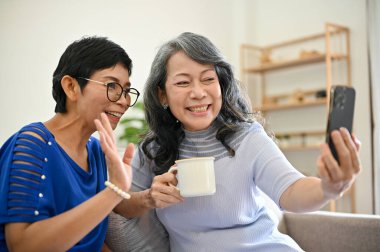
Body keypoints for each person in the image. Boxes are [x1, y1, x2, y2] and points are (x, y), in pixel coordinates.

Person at [108, 32, 361, 251]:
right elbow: (121, 206)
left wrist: (329, 188)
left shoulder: (247, 137)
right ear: (162, 94)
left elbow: (292, 192)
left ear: (222, 84)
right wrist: (149, 198)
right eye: (183, 82)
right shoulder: (154, 150)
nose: (198, 92)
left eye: (208, 79)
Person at [0, 36, 139, 251]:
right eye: (112, 85)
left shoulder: (95, 150)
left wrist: (151, 196)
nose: (123, 100)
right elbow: (22, 245)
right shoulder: (31, 144)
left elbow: (87, 237)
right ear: (71, 86)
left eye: (127, 90)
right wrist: (115, 190)